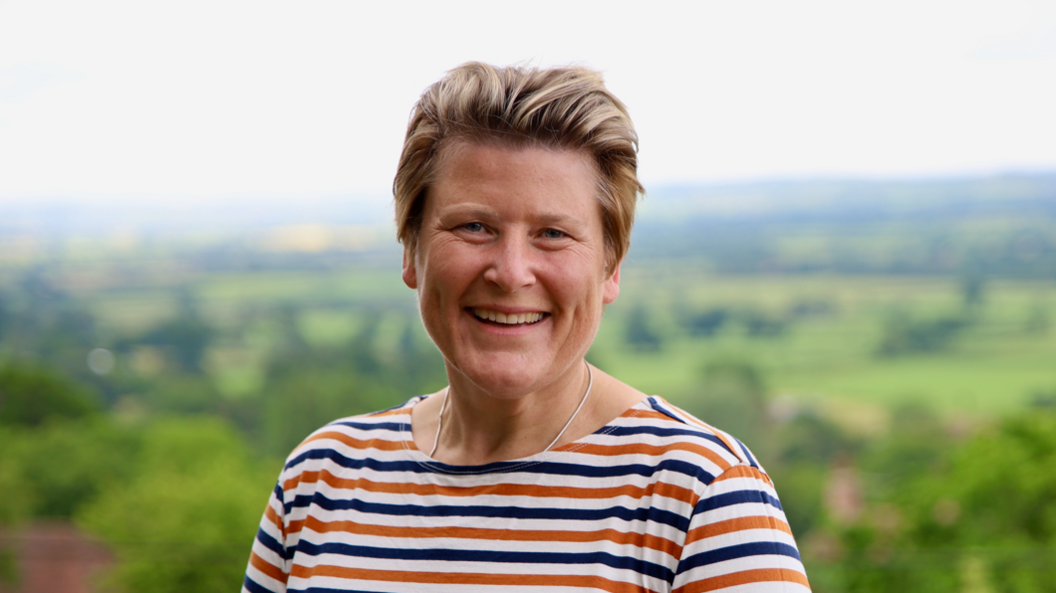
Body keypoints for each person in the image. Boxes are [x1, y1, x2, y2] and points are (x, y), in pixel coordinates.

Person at [243, 62, 810, 593]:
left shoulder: (701, 498)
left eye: (553, 234)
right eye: (474, 226)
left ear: (611, 266)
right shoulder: (321, 482)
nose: (511, 273)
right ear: (411, 249)